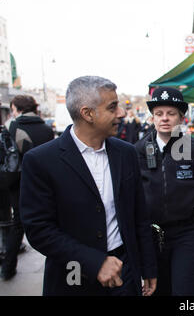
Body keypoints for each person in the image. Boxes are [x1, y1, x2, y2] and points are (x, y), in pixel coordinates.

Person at [19, 76, 157, 296]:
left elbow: (139, 216)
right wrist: (95, 262)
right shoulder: (41, 161)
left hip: (125, 273)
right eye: (112, 108)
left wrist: (148, 267)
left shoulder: (126, 153)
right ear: (87, 113)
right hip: (72, 276)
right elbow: (39, 230)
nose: (121, 113)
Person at [135, 87, 194, 296]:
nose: (164, 119)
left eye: (171, 114)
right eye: (159, 114)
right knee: (156, 290)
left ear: (181, 117)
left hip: (187, 233)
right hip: (151, 236)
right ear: (152, 117)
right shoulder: (137, 151)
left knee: (185, 289)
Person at [1, 95, 54, 281]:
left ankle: (8, 268)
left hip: (19, 184)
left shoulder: (11, 127)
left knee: (18, 225)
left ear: (18, 109)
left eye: (13, 109)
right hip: (44, 183)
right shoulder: (46, 129)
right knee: (49, 224)